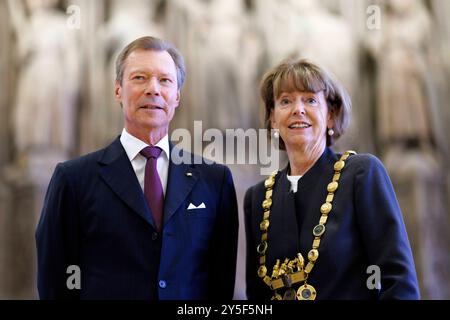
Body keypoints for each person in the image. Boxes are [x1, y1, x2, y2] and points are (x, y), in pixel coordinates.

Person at [36, 36, 239, 300]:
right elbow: (54, 281)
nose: (153, 89)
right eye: (140, 78)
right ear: (118, 90)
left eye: (164, 80)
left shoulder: (214, 180)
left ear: (177, 96)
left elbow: (220, 284)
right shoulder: (73, 179)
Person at [244, 58, 420, 300]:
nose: (298, 109)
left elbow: (398, 282)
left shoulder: (361, 173)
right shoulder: (258, 198)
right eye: (285, 101)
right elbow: (257, 296)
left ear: (330, 114)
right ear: (273, 118)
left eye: (310, 100)